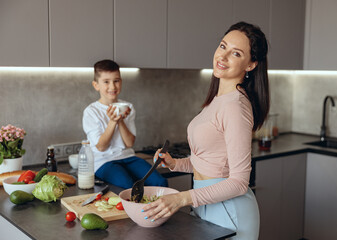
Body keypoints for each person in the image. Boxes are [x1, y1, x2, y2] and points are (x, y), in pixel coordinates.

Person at [142, 22, 270, 240]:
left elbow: (239, 182)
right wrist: (176, 164)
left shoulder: (235, 106)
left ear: (250, 65)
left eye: (236, 53)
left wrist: (181, 199)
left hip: (230, 211)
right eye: (223, 46)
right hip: (207, 205)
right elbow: (212, 162)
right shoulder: (217, 101)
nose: (223, 56)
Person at [82, 59, 168, 189]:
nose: (112, 86)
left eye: (116, 81)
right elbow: (101, 147)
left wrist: (120, 120)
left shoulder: (128, 107)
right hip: (103, 162)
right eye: (106, 82)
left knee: (160, 182)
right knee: (128, 187)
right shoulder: (91, 112)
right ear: (96, 85)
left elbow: (129, 143)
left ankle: (158, 209)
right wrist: (112, 121)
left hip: (128, 157)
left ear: (121, 81)